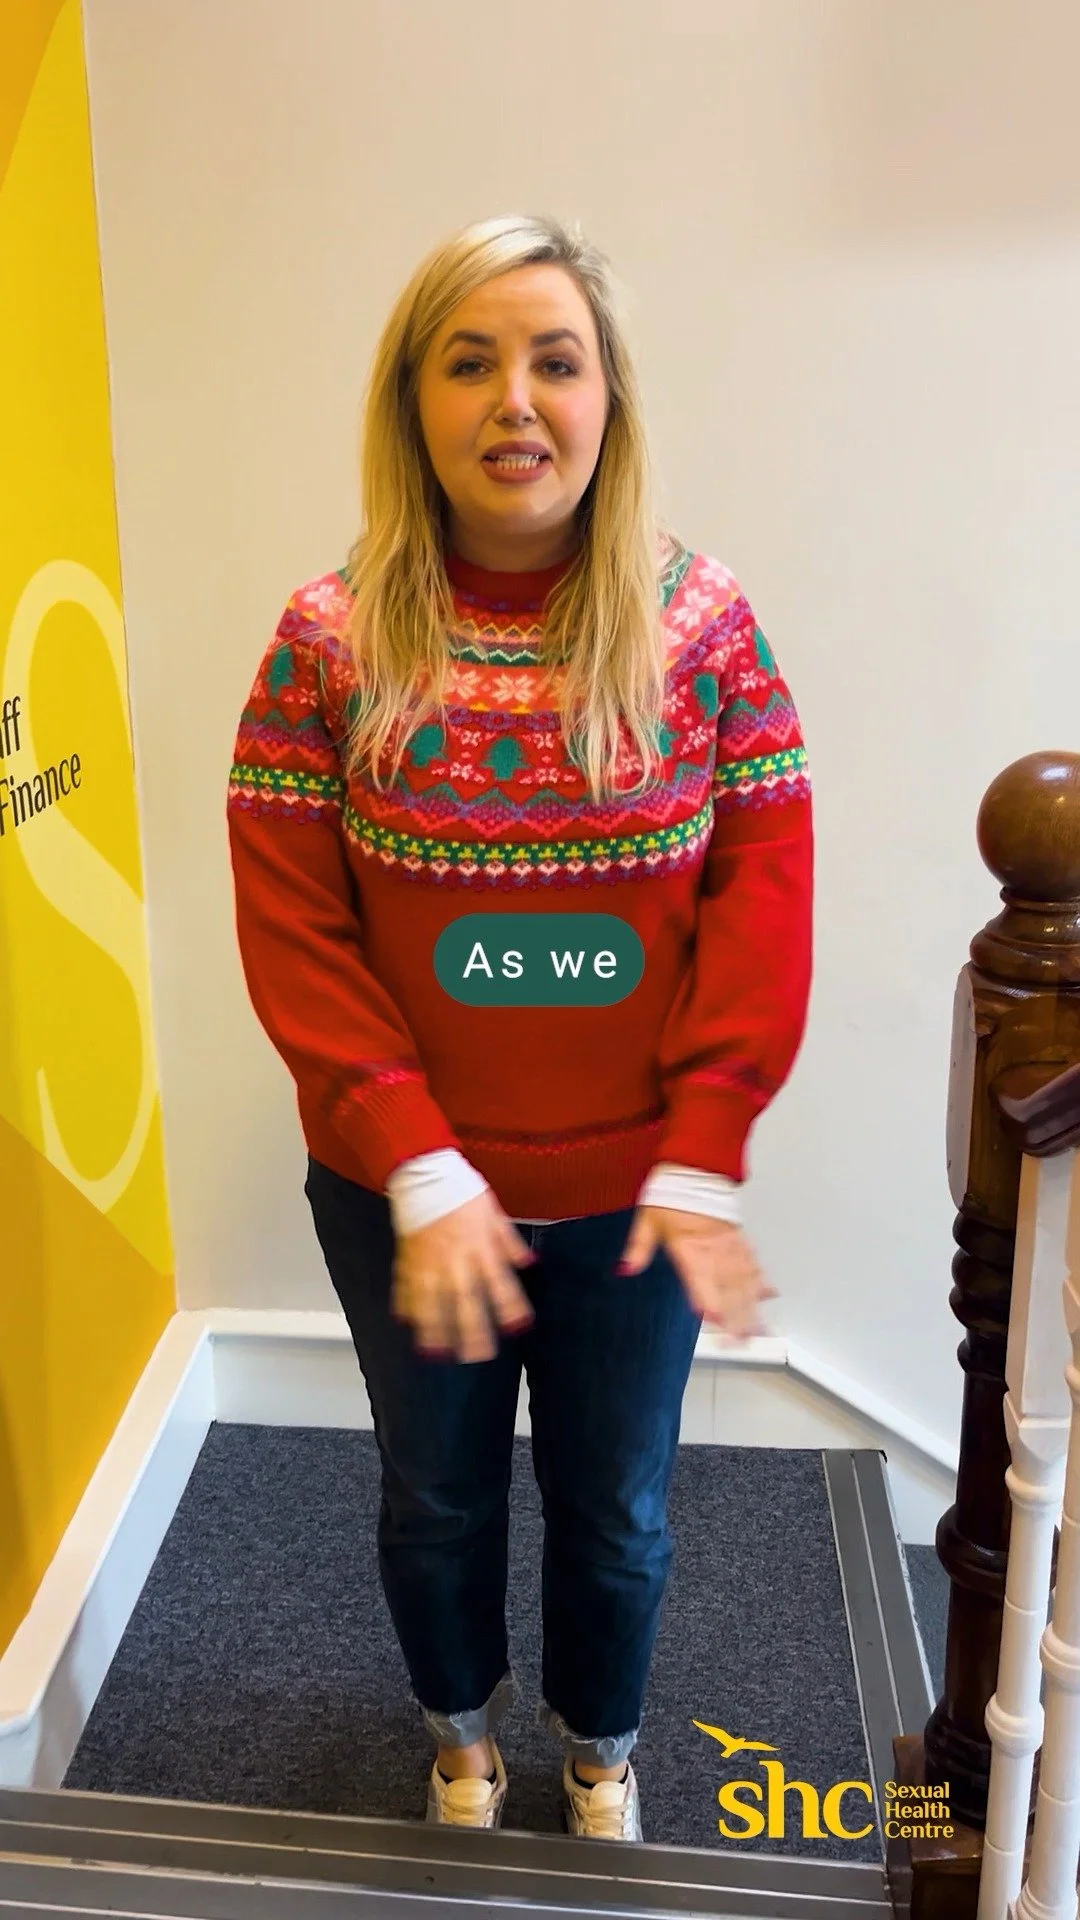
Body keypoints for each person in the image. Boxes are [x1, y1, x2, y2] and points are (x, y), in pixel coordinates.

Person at [226, 212, 813, 1843]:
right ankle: (462, 1741)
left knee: (618, 1508)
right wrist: (415, 1163)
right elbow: (294, 925)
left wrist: (705, 1142)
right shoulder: (328, 640)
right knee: (436, 1495)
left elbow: (764, 891)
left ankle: (601, 1752)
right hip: (406, 1198)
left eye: (556, 361)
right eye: (468, 362)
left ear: (608, 396)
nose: (515, 400)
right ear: (410, 402)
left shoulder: (703, 629)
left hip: (635, 1203)